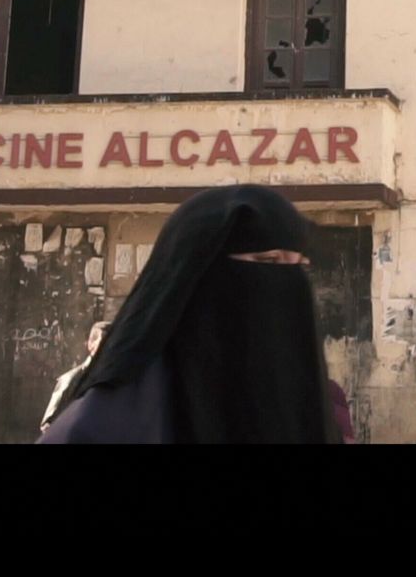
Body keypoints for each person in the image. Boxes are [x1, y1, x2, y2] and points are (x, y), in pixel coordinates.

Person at [39, 184, 341, 444]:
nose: (289, 283)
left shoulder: (305, 400)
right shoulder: (108, 424)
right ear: (200, 274)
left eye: (299, 265)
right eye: (268, 260)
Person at [40, 321, 112, 432]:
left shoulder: (116, 381)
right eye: (104, 342)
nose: (109, 347)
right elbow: (48, 426)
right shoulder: (70, 380)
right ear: (90, 344)